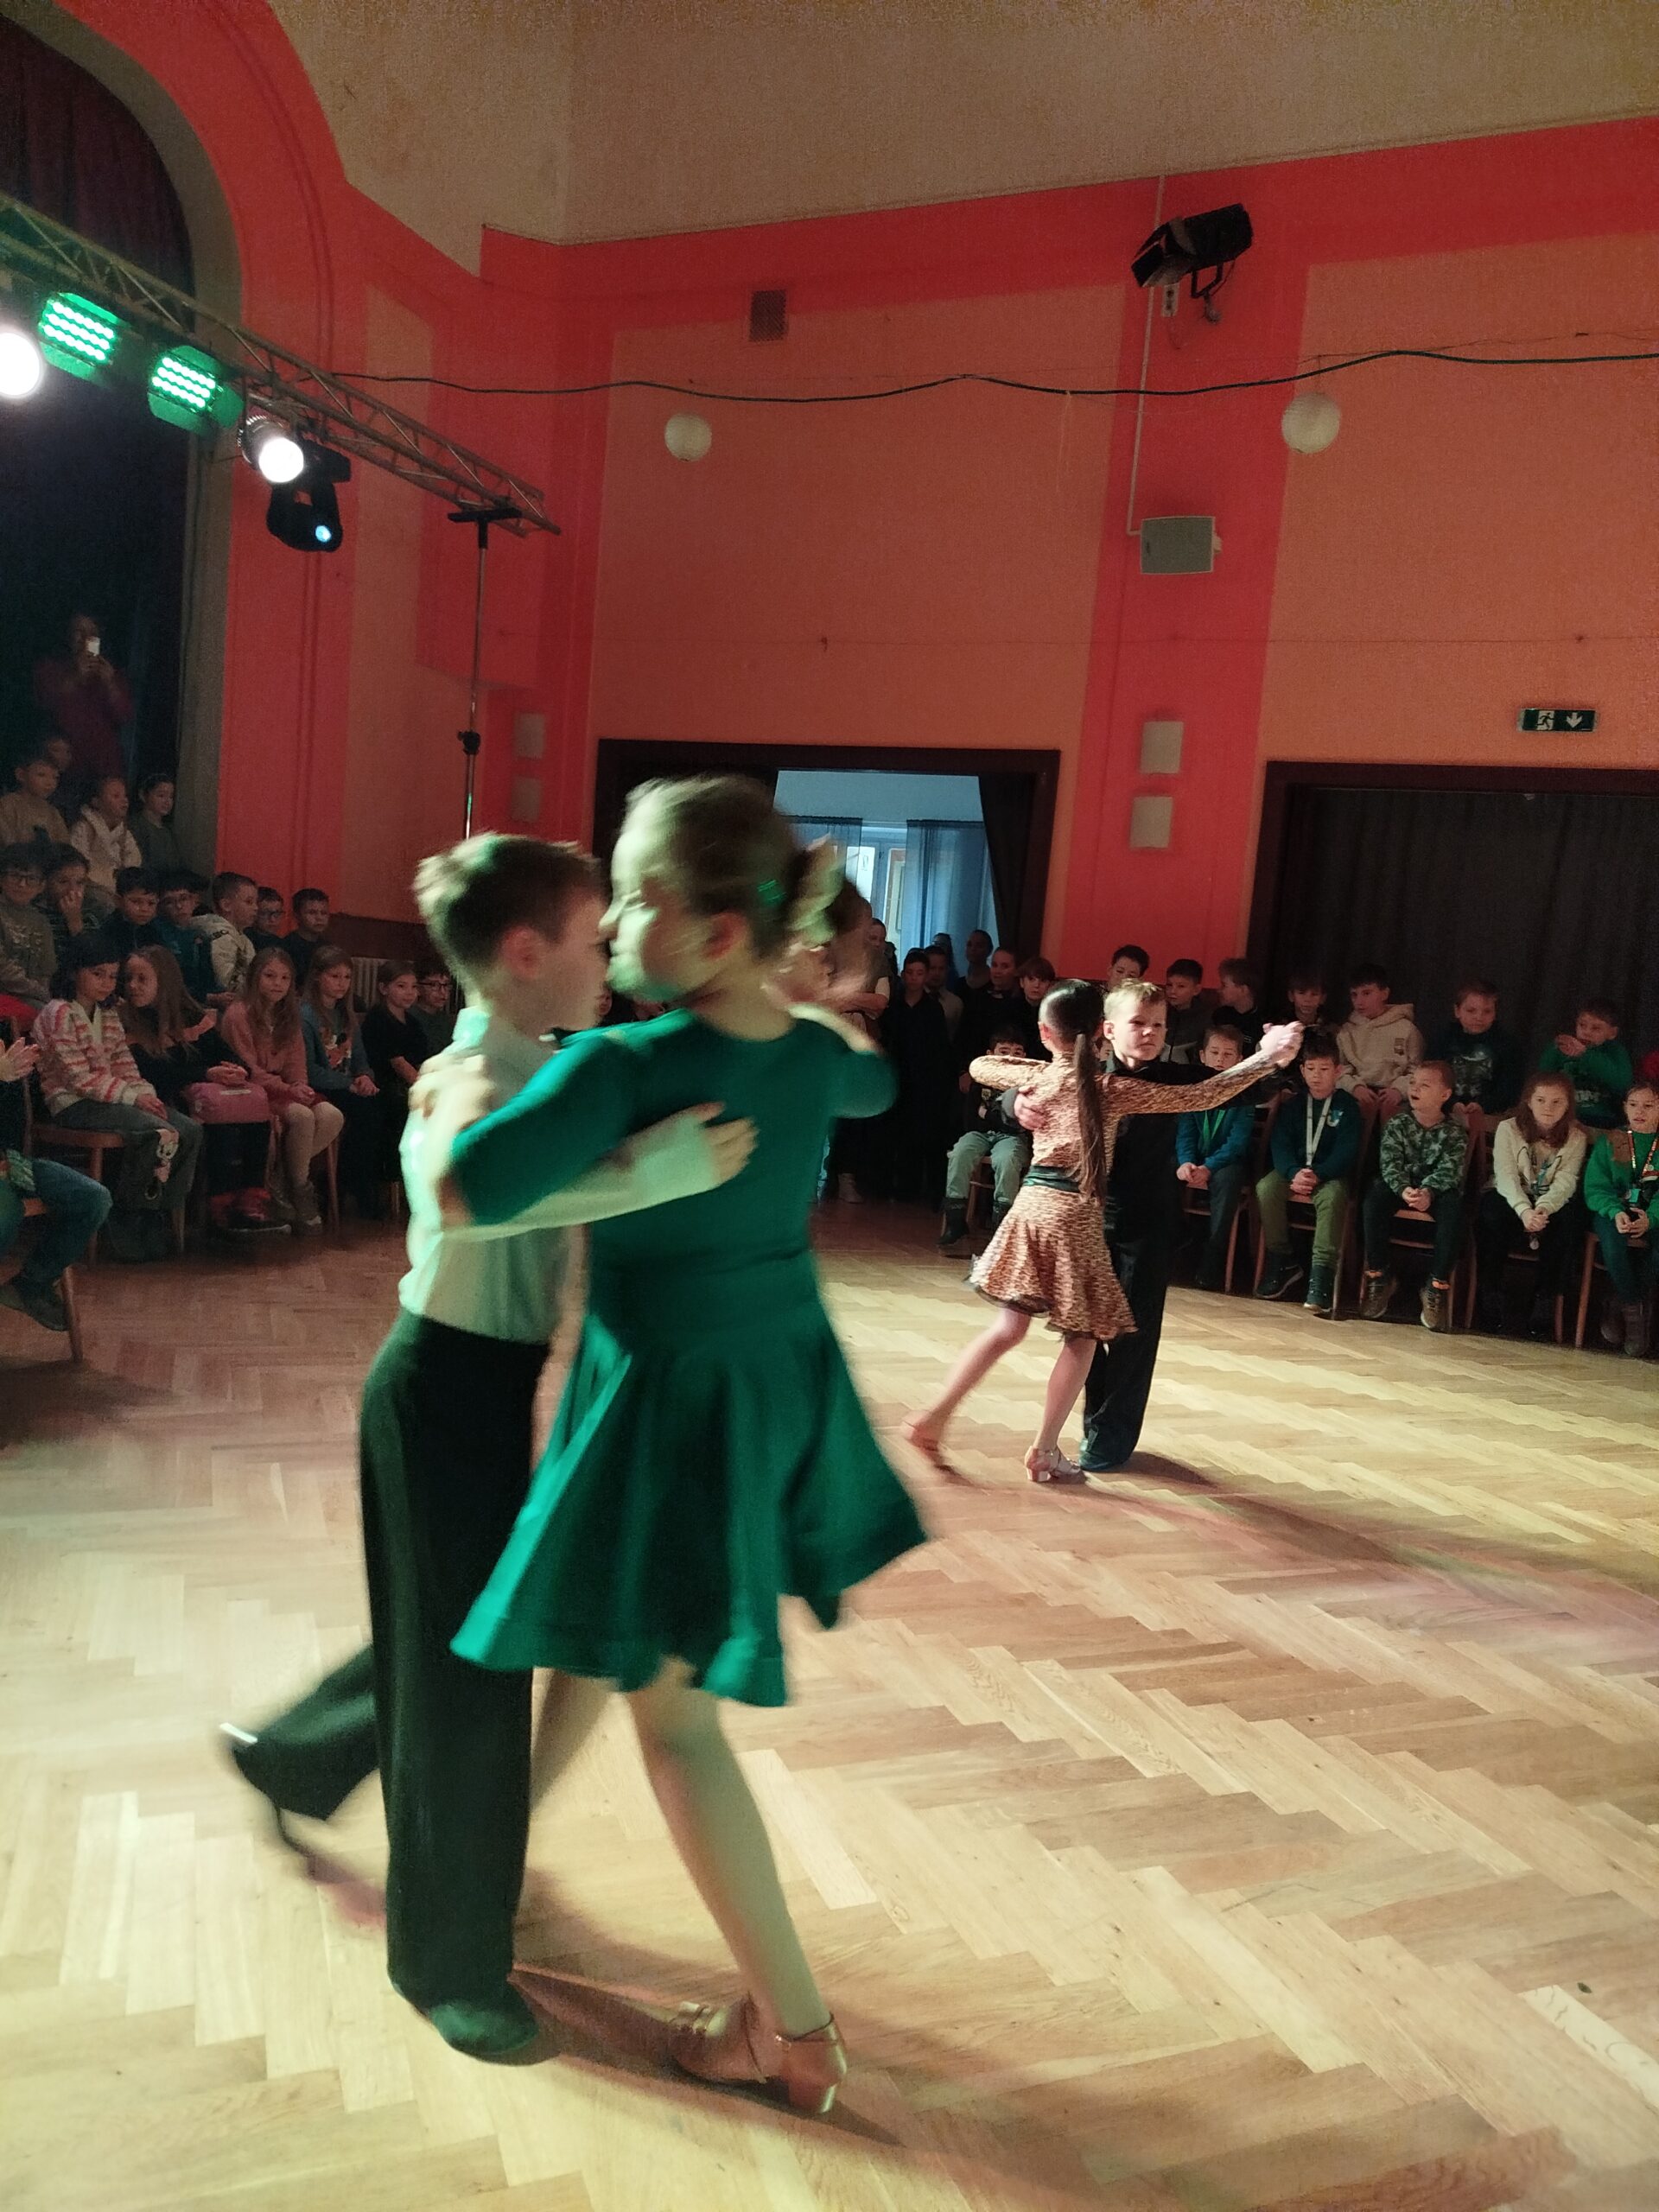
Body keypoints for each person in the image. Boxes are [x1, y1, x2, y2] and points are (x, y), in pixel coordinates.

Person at [425, 778, 926, 2108]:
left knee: (680, 1729)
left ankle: (793, 2032)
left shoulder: (626, 1067)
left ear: (715, 934)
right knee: (608, 1632)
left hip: (671, 1401)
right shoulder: (809, 1052)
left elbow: (469, 1189)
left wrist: (460, 1087)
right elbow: (875, 1082)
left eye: (637, 896)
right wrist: (810, 997)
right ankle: (502, 1849)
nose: (612, 920)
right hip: (767, 1374)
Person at [223, 830, 758, 2060]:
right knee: (469, 1681)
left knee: (456, 1627)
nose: (607, 958)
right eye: (590, 939)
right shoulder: (468, 1075)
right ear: (525, 953)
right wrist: (652, 1172)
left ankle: (291, 1757)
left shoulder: (545, 1064)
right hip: (440, 1391)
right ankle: (447, 1965)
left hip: (486, 1390)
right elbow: (464, 1195)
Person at [904, 982, 1298, 1482]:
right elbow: (1207, 1095)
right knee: (1086, 1338)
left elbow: (983, 1065)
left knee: (1016, 1329)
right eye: (1139, 1023)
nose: (1150, 1032)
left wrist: (1273, 1062)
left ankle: (938, 1416)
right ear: (1103, 1031)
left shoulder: (1051, 1072)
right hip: (1079, 1218)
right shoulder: (1109, 1087)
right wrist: (1015, 1102)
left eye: (1158, 1025)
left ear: (1045, 1034)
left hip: (1050, 1211)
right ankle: (1045, 1450)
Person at [32, 931, 203, 1257]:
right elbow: (77, 1078)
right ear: (74, 971)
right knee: (154, 1131)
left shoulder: (107, 1014)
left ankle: (157, 1210)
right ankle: (127, 1216)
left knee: (189, 1129)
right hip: (73, 1103)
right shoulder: (58, 1013)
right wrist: (133, 1098)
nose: (107, 983)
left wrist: (145, 1094)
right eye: (98, 974)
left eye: (112, 976)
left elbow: (124, 1063)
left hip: (113, 1098)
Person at [119, 946, 278, 1238]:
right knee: (222, 1128)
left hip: (201, 1095)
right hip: (162, 1098)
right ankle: (220, 1208)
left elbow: (226, 1053)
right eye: (129, 978)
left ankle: (250, 1200)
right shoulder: (126, 1020)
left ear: (164, 982)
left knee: (254, 1116)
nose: (132, 986)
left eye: (142, 979)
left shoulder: (190, 1014)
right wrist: (206, 1073)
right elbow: (152, 1071)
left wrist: (235, 1069)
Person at [220, 948, 343, 1231]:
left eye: (285, 978)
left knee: (331, 1115)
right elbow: (248, 1069)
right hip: (252, 1089)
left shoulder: (289, 1016)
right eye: (270, 976)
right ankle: (300, 1188)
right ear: (255, 977)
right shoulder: (239, 1014)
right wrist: (288, 1088)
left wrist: (299, 1085)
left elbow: (297, 1062)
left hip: (284, 1087)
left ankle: (280, 1182)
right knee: (302, 1116)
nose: (278, 983)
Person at [0, 1031, 111, 1332]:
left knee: (92, 1198)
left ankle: (30, 1284)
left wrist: (8, 1081)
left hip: (12, 1162)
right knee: (4, 1213)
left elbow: (16, 1125)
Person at [1255, 1029, 1365, 1314]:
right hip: (1293, 1172)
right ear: (1302, 1071)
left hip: (1328, 1176)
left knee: (1333, 1197)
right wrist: (1293, 1172)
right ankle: (1282, 1259)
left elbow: (1347, 1150)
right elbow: (1280, 1143)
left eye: (1324, 1069)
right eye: (1311, 1069)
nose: (1317, 1076)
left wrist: (1320, 1174)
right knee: (1266, 1188)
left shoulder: (1347, 1107)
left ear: (1338, 1071)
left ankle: (1322, 1274)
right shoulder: (1294, 1105)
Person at [1473, 1072, 1586, 1338]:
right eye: (1541, 1100)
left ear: (1568, 1105)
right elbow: (1505, 1176)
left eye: (1557, 1102)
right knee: (1492, 1213)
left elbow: (1566, 1181)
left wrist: (1544, 1208)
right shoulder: (1509, 1129)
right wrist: (1524, 1210)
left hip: (1549, 1203)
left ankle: (1545, 1297)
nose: (1548, 1108)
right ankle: (1490, 1290)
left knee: (1570, 1221)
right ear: (1528, 1101)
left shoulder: (1576, 1137)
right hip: (1512, 1197)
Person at [1358, 1060, 1468, 1331]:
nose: (1415, 1089)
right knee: (1375, 1197)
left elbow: (1450, 1170)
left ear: (1445, 1094)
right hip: (1402, 1186)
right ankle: (1379, 1275)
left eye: (1425, 1085)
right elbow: (1389, 1163)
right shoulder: (1398, 1124)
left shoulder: (1454, 1132)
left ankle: (1436, 1285)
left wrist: (1428, 1191)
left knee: (1454, 1208)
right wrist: (1403, 1188)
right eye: (1413, 1083)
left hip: (1434, 1191)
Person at [300, 944, 386, 1217]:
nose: (342, 983)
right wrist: (348, 1084)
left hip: (348, 1084)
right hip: (322, 1086)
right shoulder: (305, 1016)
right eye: (334, 976)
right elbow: (309, 1069)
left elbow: (360, 1058)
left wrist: (365, 1077)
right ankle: (348, 1185)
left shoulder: (345, 1015)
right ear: (317, 977)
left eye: (347, 977)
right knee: (365, 1113)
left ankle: (350, 1181)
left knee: (380, 1107)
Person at [1175, 1023, 1256, 1291]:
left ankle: (1213, 1256)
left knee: (1228, 1178)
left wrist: (1209, 1167)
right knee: (1164, 1169)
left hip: (1225, 1162)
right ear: (1202, 1056)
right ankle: (1172, 1242)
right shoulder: (1194, 1089)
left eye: (1228, 1054)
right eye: (1214, 1052)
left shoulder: (1244, 1094)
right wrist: (1186, 1161)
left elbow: (1237, 1143)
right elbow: (1185, 1131)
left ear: (1239, 1060)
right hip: (1195, 1159)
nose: (1220, 1060)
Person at [938, 1023, 1031, 1255]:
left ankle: (1001, 1226)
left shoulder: (1027, 1084)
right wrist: (994, 1118)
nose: (1010, 1058)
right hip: (979, 1133)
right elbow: (971, 1119)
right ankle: (956, 1221)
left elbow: (1016, 1124)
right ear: (991, 1054)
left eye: (1017, 1052)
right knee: (961, 1152)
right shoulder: (981, 1080)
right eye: (1004, 1051)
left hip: (1011, 1137)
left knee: (1007, 1160)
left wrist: (988, 1115)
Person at [1582, 1078, 1659, 1357]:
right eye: (1634, 1105)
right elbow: (1596, 1187)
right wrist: (1615, 1211)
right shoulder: (1615, 1140)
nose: (1640, 1112)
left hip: (1651, 1214)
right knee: (1613, 1246)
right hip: (1614, 1211)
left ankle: (1619, 1301)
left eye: (1648, 1106)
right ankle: (1634, 1311)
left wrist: (1651, 1218)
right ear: (1625, 1107)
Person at [880, 949, 956, 1203]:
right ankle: (887, 1184)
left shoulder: (933, 1010)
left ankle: (912, 1188)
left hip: (923, 1081)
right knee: (893, 1132)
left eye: (919, 973)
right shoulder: (893, 1006)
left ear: (926, 976)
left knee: (918, 1133)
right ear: (903, 974)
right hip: (895, 1077)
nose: (914, 978)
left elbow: (939, 1049)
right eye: (910, 973)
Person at [34, 612, 132, 788]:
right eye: (79, 631)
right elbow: (46, 705)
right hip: (63, 764)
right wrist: (75, 676)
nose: (86, 638)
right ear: (68, 635)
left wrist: (110, 684)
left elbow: (124, 716)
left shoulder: (110, 673)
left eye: (92, 633)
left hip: (103, 766)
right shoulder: (50, 668)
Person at [362, 959, 429, 1182]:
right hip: (384, 1084)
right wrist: (424, 1087)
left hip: (407, 1083)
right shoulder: (378, 1018)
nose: (410, 993)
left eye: (413, 987)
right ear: (384, 988)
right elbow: (398, 1063)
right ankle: (395, 1175)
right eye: (401, 986)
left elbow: (421, 1059)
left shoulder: (412, 1022)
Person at [1428, 981, 1525, 1122]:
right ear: (1457, 1011)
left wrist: (1483, 1106)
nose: (1479, 1017)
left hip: (1490, 1115)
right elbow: (1428, 1078)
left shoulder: (1509, 1045)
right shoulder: (1442, 1040)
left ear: (1495, 1013)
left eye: (1487, 1011)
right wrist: (1451, 1104)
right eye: (1471, 1011)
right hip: (1442, 1109)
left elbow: (1510, 1089)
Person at [1336, 963, 1422, 1116]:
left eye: (1366, 993)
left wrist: (1399, 1090)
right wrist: (1355, 1088)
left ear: (1384, 994)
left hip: (1394, 1095)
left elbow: (1417, 1070)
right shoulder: (1346, 1031)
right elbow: (1340, 1069)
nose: (1359, 1001)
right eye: (1354, 995)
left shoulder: (1406, 1029)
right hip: (1359, 1094)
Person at [1540, 998, 1634, 1132]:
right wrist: (1553, 1051)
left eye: (1596, 1028)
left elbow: (1623, 1084)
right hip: (1564, 1117)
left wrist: (1585, 1055)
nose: (1586, 1032)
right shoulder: (1561, 1049)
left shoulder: (1615, 1052)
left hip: (1603, 1120)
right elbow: (1542, 1081)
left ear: (1612, 1033)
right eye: (1582, 1025)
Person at [34, 844, 113, 972]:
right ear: (46, 882)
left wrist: (75, 922)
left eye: (80, 883)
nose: (72, 890)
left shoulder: (93, 914)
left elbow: (95, 962)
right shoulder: (34, 913)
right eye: (63, 882)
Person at [1, 844, 57, 1018]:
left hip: (32, 997)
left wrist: (44, 996)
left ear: (42, 885)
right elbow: (3, 969)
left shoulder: (41, 921)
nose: (22, 884)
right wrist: (40, 994)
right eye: (15, 876)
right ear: (2, 878)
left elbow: (46, 971)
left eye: (31, 878)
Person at [187, 870, 259, 1004]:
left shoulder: (242, 938)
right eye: (249, 902)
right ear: (226, 905)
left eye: (256, 902)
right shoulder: (220, 936)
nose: (256, 908)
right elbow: (227, 982)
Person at [955, 944, 1024, 1076]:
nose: (997, 971)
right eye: (994, 965)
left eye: (1004, 966)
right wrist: (964, 1070)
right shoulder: (978, 998)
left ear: (1016, 970)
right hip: (977, 1071)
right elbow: (963, 1038)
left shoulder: (1022, 1003)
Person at [69, 773, 143, 895]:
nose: (124, 800)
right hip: (90, 889)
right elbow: (78, 865)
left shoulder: (124, 833)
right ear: (96, 802)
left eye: (125, 796)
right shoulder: (84, 829)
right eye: (116, 796)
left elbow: (133, 861)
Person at [155, 869, 216, 1002]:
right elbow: (169, 984)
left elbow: (209, 978)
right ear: (160, 907)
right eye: (169, 902)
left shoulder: (200, 934)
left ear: (195, 901)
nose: (179, 906)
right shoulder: (159, 934)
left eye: (184, 899)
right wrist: (208, 997)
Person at [0, 748, 71, 853]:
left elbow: (64, 847)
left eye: (55, 777)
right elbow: (7, 843)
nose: (49, 783)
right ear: (21, 775)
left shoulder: (53, 812)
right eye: (41, 775)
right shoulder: (7, 806)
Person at [102, 867, 166, 962]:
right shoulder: (109, 931)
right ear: (118, 901)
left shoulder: (155, 931)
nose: (144, 909)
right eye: (136, 902)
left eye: (151, 903)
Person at [131, 773, 182, 874]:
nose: (167, 802)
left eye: (171, 797)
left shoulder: (169, 830)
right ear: (143, 795)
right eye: (161, 795)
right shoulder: (136, 826)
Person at [1161, 958, 1207, 1065]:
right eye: (1169, 985)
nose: (1173, 991)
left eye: (1181, 986)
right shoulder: (1159, 1012)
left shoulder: (1204, 1020)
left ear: (1196, 990)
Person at [1215, 958, 1266, 1049]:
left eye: (1224, 985)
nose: (1219, 990)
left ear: (1243, 990)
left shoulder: (1263, 1024)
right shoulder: (1218, 1016)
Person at [283, 887, 334, 976]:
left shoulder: (328, 947)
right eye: (312, 913)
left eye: (324, 913)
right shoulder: (287, 946)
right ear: (297, 916)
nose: (319, 918)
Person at [1015, 956, 1057, 1057]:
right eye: (1031, 979)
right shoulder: (1009, 1009)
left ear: (1050, 985)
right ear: (1022, 982)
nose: (1037, 985)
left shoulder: (1056, 1014)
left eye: (1043, 981)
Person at [413, 961, 456, 1055]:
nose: (442, 992)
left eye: (446, 985)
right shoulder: (409, 1019)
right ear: (418, 988)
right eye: (433, 985)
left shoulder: (445, 1020)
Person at [923, 944, 963, 1040]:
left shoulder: (955, 1004)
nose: (937, 973)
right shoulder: (912, 998)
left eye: (941, 969)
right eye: (932, 968)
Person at [250, 887, 289, 954]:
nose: (272, 920)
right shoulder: (245, 940)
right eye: (265, 913)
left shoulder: (282, 944)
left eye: (277, 914)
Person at [960, 929, 995, 995]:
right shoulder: (959, 984)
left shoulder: (996, 984)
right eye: (969, 945)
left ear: (989, 950)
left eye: (979, 946)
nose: (973, 949)